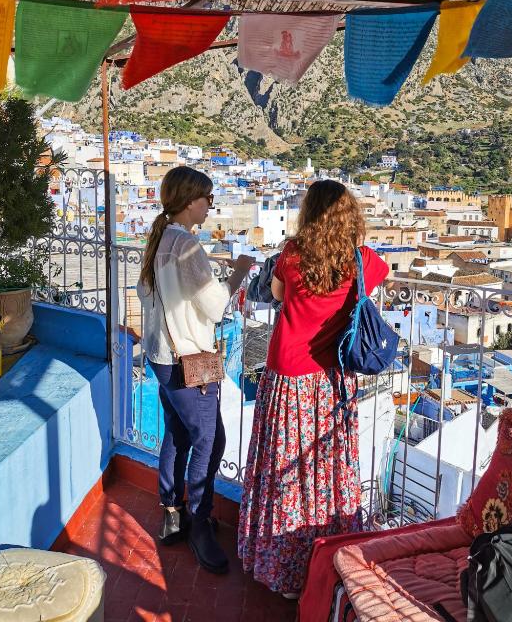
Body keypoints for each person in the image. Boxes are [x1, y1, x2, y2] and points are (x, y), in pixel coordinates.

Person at [238, 180, 389, 596]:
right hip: (331, 380)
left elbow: (275, 294)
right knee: (322, 468)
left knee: (283, 470)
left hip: (287, 376)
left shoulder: (292, 256)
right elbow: (379, 275)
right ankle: (323, 559)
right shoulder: (362, 262)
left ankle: (281, 567)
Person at [138, 166, 253, 575]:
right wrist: (239, 271)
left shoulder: (158, 240)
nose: (210, 206)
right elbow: (216, 305)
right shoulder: (186, 246)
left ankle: (172, 513)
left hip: (160, 358)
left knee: (178, 433)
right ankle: (200, 521)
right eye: (207, 199)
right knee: (210, 442)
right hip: (190, 362)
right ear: (191, 201)